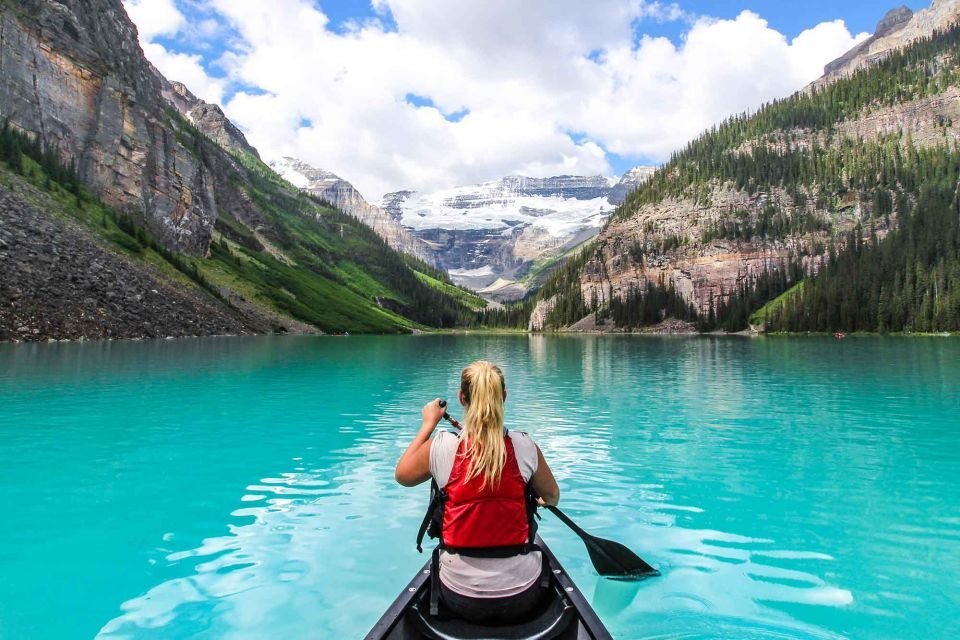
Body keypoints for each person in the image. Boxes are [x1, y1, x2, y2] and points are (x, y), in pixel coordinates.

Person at [395, 360, 560, 624]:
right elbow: (552, 497)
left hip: (458, 595)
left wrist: (429, 423)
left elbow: (402, 475)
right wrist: (539, 499)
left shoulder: (441, 447)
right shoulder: (524, 446)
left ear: (462, 398)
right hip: (522, 595)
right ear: (503, 397)